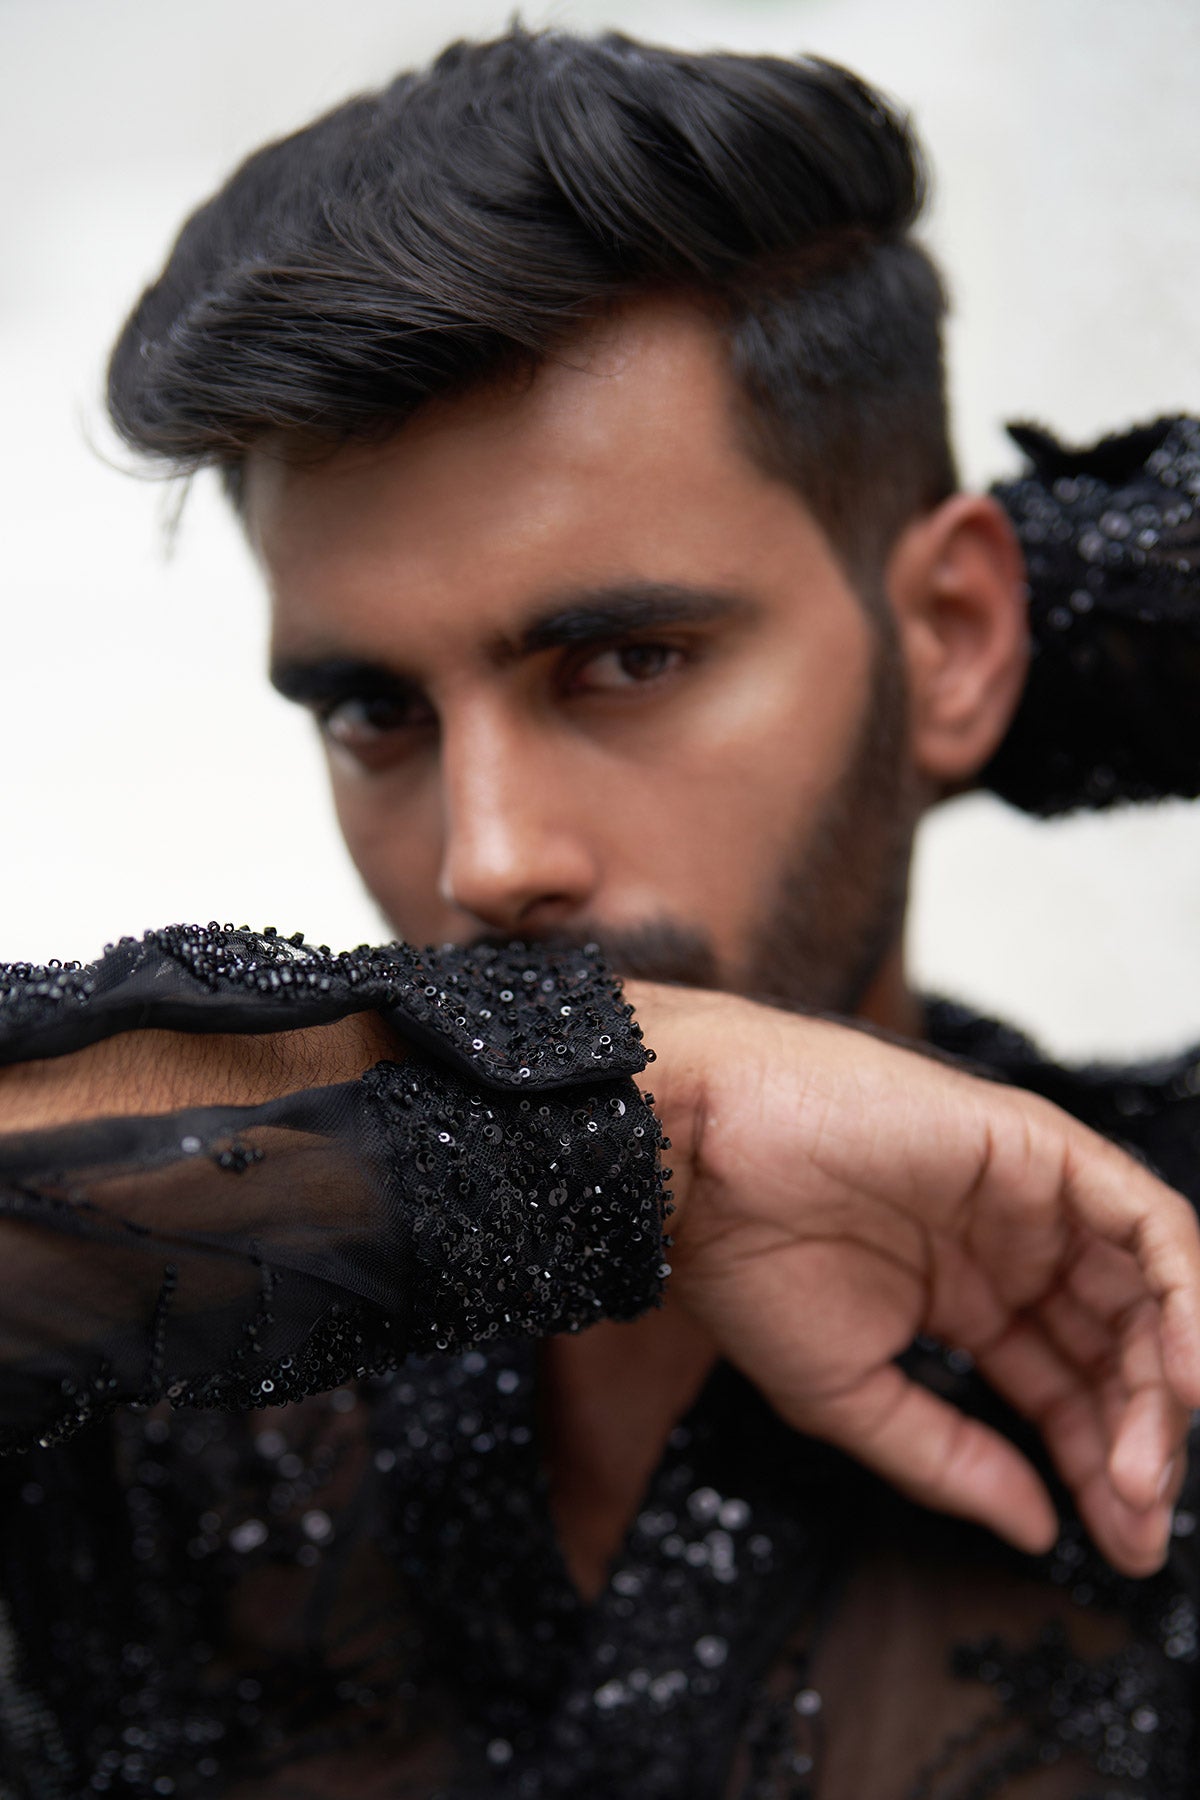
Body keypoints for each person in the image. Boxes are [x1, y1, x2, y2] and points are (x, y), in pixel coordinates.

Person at [2, 24, 1200, 1798]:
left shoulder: (1157, 1267)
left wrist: (1014, 652)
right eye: (374, 710)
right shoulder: (152, 1347)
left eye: (630, 658)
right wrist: (648, 1122)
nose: (487, 859)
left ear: (954, 631)